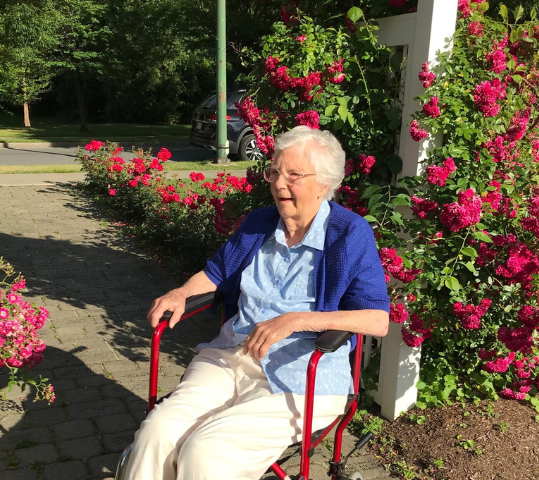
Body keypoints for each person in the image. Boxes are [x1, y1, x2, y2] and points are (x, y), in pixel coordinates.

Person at [123, 126, 390, 480]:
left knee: (207, 452)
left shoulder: (349, 233)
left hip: (304, 375)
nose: (279, 184)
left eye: (293, 175)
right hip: (232, 356)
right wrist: (181, 293)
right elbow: (215, 273)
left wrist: (296, 320)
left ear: (324, 184)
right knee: (157, 434)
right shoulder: (259, 223)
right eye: (275, 172)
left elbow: (377, 320)